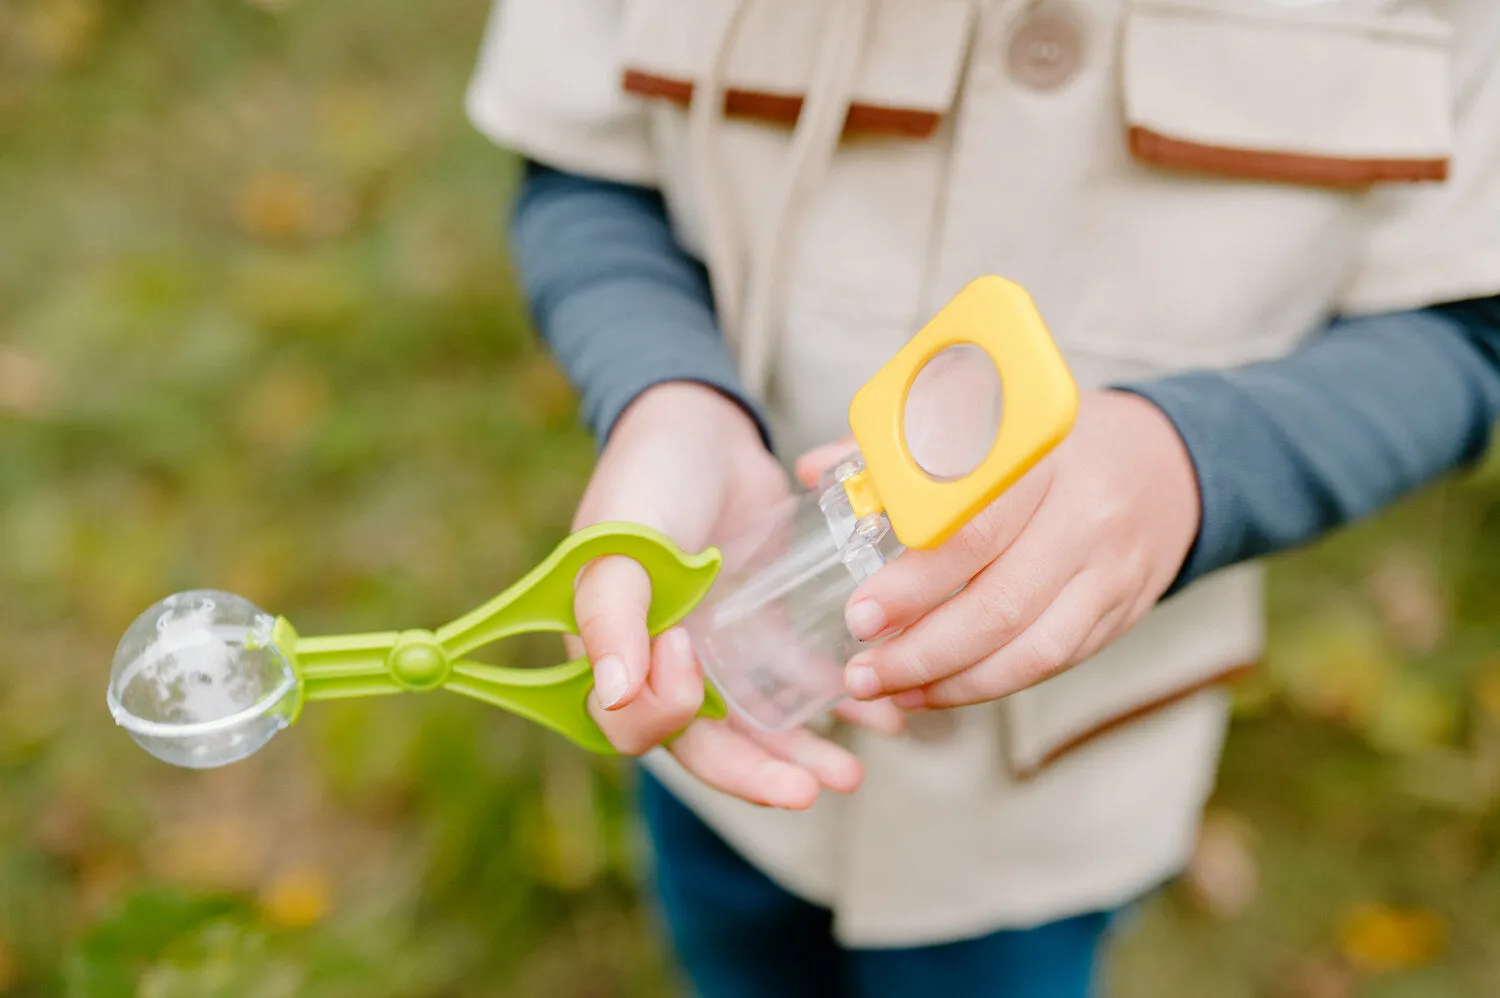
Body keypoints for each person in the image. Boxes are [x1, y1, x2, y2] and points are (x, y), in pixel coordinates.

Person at [466, 1, 1500, 994]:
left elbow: (1463, 329)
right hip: (719, 705)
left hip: (1053, 805)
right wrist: (669, 389)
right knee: (735, 955)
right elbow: (587, 171)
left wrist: (1187, 463)